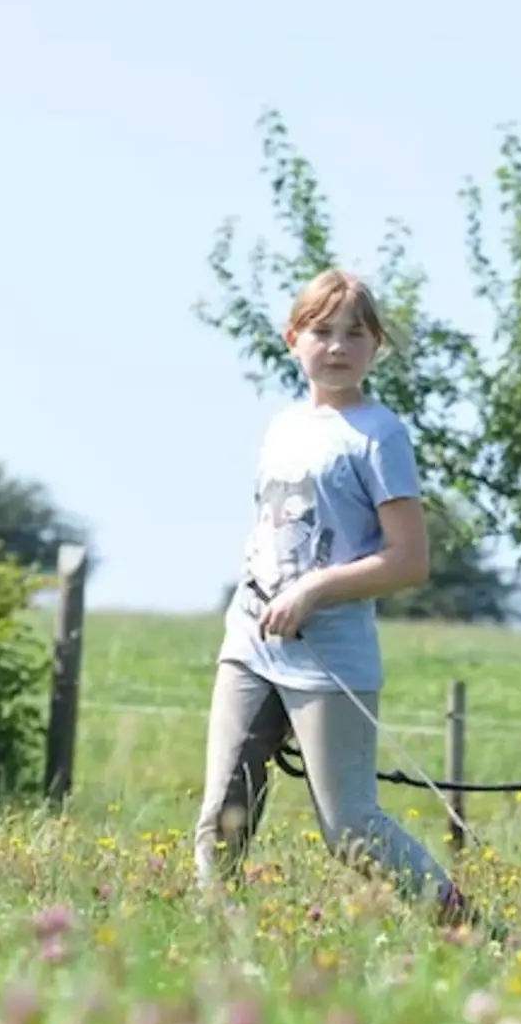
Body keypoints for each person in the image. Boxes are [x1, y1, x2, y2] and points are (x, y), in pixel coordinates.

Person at [194, 268, 473, 927]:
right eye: (322, 331)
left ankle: (465, 925)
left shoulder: (381, 435)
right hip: (250, 644)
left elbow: (409, 559)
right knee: (222, 811)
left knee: (348, 826)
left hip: (331, 660)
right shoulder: (283, 426)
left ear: (377, 346)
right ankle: (216, 940)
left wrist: (315, 590)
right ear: (294, 340)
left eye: (356, 333)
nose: (338, 346)